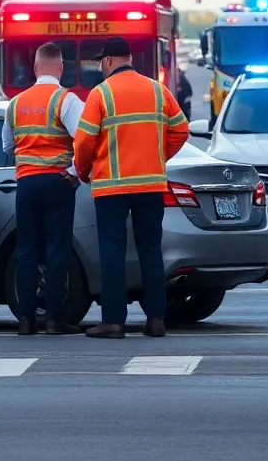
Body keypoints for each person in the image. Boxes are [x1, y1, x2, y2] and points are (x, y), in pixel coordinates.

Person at [73, 37, 189, 338]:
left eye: (101, 62)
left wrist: (84, 171)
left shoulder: (101, 94)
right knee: (151, 249)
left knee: (112, 251)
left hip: (111, 188)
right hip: (150, 184)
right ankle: (155, 320)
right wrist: (158, 155)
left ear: (108, 61)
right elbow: (181, 129)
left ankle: (113, 321)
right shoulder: (156, 90)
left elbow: (83, 141)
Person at [1, 42, 85, 335]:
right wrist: (76, 172)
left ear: (35, 68)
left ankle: (25, 320)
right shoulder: (66, 100)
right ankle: (53, 318)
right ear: (61, 68)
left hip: (26, 183)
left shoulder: (16, 103)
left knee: (26, 250)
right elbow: (85, 139)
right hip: (58, 181)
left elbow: (7, 146)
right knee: (56, 249)